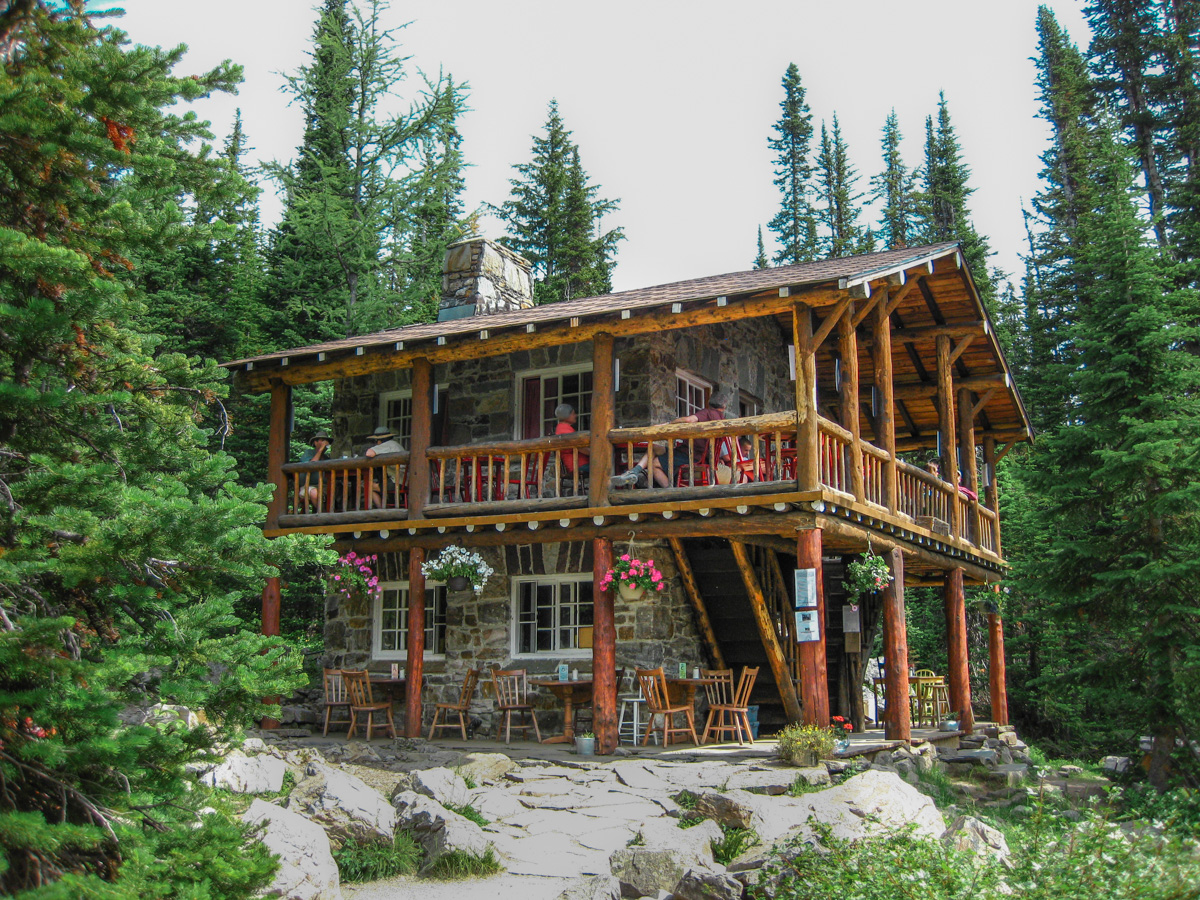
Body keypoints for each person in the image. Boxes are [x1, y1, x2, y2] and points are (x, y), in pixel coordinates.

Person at [611, 393, 729, 488]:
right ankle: (635, 471)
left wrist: (668, 424)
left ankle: (670, 491)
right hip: (698, 456)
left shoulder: (708, 413)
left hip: (691, 456)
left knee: (654, 464)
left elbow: (689, 420)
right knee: (655, 448)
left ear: (709, 402)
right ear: (724, 406)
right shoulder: (723, 420)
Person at [364, 426, 404, 508]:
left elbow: (369, 453)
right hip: (405, 480)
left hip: (396, 482)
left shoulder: (386, 445)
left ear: (379, 440)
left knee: (368, 486)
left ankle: (381, 509)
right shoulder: (396, 445)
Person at [553, 403, 589, 480]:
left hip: (578, 464)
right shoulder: (565, 431)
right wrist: (595, 453)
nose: (575, 416)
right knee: (605, 466)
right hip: (578, 465)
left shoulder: (563, 428)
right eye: (573, 414)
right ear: (566, 416)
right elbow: (580, 448)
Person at [299, 429, 330, 512]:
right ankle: (321, 514)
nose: (325, 443)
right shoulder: (309, 453)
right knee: (314, 493)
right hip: (308, 486)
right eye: (322, 440)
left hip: (325, 486)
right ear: (315, 443)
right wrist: (320, 449)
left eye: (326, 441)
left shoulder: (327, 458)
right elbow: (311, 465)